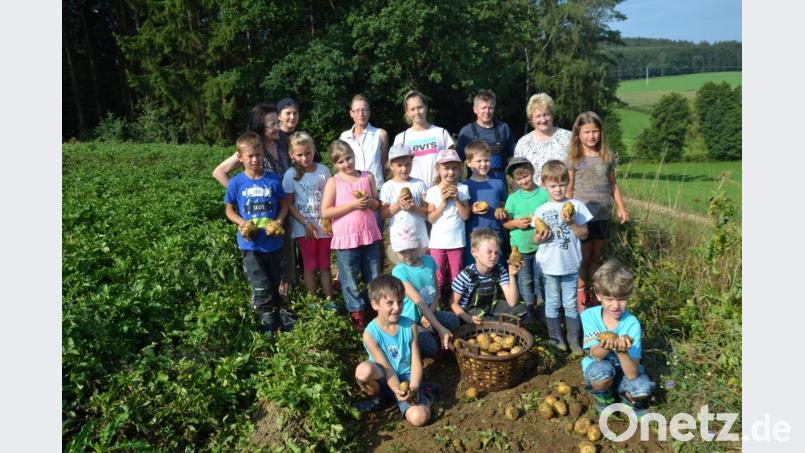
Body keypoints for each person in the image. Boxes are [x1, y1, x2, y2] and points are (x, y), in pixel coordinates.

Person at [213, 103, 295, 298]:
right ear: (260, 127)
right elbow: (219, 172)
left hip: (283, 209)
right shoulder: (252, 147)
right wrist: (248, 193)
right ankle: (268, 299)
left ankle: (287, 297)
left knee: (287, 255)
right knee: (266, 259)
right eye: (272, 124)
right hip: (260, 214)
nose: (277, 127)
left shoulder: (283, 142)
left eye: (278, 122)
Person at [224, 132, 290, 336]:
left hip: (274, 243)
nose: (255, 159)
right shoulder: (236, 183)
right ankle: (266, 324)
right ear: (240, 157)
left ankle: (282, 317)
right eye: (251, 155)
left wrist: (278, 221)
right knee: (260, 285)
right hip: (250, 245)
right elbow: (229, 209)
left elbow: (285, 203)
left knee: (277, 281)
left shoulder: (272, 180)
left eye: (259, 154)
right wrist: (242, 223)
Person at [354, 275, 438, 426]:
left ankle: (425, 394)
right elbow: (386, 369)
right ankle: (378, 400)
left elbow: (416, 362)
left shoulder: (410, 326)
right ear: (375, 304)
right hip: (384, 377)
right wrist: (396, 390)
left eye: (400, 302)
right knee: (363, 371)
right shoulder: (370, 334)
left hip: (406, 378)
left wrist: (412, 388)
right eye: (390, 303)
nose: (397, 308)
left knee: (420, 418)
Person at [566, 111, 630, 312]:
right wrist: (566, 212)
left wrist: (621, 207)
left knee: (596, 257)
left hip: (603, 215)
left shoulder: (606, 156)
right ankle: (580, 299)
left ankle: (595, 296)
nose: (591, 136)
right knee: (582, 258)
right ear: (578, 134)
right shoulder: (574, 158)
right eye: (586, 132)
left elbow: (613, 186)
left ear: (601, 133)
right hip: (581, 216)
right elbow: (569, 187)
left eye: (595, 131)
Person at [321, 139, 383, 330]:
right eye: (340, 162)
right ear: (334, 164)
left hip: (369, 235)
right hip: (346, 238)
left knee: (373, 275)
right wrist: (352, 206)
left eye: (348, 159)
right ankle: (357, 313)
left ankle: (376, 309)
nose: (346, 164)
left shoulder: (367, 177)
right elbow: (325, 212)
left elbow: (377, 204)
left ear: (354, 156)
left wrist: (370, 202)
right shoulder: (334, 182)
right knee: (349, 278)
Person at [581, 259, 656, 416]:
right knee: (599, 371)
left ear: (628, 297)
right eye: (609, 299)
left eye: (621, 299)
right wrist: (607, 344)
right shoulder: (589, 316)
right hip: (600, 371)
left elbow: (632, 374)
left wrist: (622, 351)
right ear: (599, 296)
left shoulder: (632, 323)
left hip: (625, 373)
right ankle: (604, 397)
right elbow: (596, 354)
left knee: (643, 387)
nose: (616, 306)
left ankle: (626, 398)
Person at [532, 160, 592, 353]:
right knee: (552, 303)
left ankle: (574, 341)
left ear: (567, 183)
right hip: (548, 265)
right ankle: (556, 339)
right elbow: (535, 240)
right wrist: (540, 237)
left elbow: (584, 234)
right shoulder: (541, 210)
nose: (558, 189)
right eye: (553, 185)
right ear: (544, 184)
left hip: (570, 265)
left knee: (570, 303)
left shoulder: (576, 206)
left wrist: (573, 222)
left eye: (561, 185)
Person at [390, 224, 459, 359]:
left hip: (429, 313)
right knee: (429, 346)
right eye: (402, 252)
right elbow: (418, 301)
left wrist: (431, 312)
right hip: (410, 320)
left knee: (454, 321)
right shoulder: (399, 271)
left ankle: (438, 336)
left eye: (411, 250)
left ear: (418, 247)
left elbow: (435, 292)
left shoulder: (429, 261)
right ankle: (432, 339)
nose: (408, 256)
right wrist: (439, 327)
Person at [341, 95, 390, 273]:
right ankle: (359, 274)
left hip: (374, 191)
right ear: (351, 114)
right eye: (357, 110)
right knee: (355, 235)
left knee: (376, 236)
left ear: (369, 112)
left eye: (365, 110)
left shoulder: (380, 134)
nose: (361, 113)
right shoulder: (344, 137)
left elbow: (383, 163)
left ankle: (378, 277)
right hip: (350, 193)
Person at [282, 132, 333, 300]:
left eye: (308, 153)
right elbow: (288, 204)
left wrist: (328, 219)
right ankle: (312, 302)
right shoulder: (290, 175)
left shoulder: (323, 171)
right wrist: (305, 223)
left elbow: (331, 196)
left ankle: (329, 299)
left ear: (314, 150)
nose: (305, 157)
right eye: (300, 154)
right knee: (310, 265)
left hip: (323, 224)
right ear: (292, 155)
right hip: (303, 227)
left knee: (325, 264)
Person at [502, 157, 550, 323]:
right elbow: (505, 223)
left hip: (543, 247)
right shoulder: (513, 198)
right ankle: (529, 309)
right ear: (514, 180)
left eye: (526, 176)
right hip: (520, 248)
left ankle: (543, 309)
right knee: (525, 280)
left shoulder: (544, 193)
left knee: (541, 279)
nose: (523, 181)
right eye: (519, 178)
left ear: (532, 171)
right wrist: (515, 223)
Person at [450, 228, 526, 324]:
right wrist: (467, 318)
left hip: (491, 308)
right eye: (489, 252)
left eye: (496, 252)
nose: (494, 256)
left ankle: (499, 327)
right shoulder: (465, 276)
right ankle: (498, 327)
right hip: (471, 314)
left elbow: (512, 302)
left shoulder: (500, 270)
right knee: (490, 322)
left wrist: (512, 275)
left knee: (520, 309)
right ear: (474, 252)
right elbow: (452, 303)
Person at [426, 149, 471, 297]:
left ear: (459, 169)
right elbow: (431, 218)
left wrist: (457, 199)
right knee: (437, 276)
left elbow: (465, 216)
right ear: (438, 169)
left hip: (456, 242)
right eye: (446, 168)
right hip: (437, 243)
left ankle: (455, 305)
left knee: (456, 276)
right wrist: (443, 202)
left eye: (454, 168)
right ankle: (436, 306)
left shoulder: (463, 188)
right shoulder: (432, 191)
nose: (450, 172)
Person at [393, 91, 454, 188]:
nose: (417, 112)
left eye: (420, 107)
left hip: (439, 191)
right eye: (412, 109)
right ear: (407, 112)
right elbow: (396, 171)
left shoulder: (441, 133)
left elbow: (454, 165)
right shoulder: (401, 138)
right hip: (413, 193)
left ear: (426, 107)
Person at [463, 140, 509, 266]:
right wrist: (471, 209)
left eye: (487, 160)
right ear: (468, 163)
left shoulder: (498, 184)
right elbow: (461, 212)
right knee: (474, 269)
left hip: (495, 234)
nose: (484, 164)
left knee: (498, 269)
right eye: (479, 161)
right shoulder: (464, 186)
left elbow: (504, 205)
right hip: (473, 236)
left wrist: (501, 210)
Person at [456, 89, 515, 183]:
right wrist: (458, 185)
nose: (487, 111)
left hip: (499, 184)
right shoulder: (466, 131)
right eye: (483, 108)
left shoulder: (503, 128)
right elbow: (458, 162)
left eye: (490, 108)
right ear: (475, 109)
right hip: (474, 186)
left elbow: (512, 158)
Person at [513, 93, 572, 185]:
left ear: (552, 115)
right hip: (533, 197)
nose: (543, 120)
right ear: (531, 120)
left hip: (563, 195)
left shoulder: (568, 137)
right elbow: (518, 173)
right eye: (538, 116)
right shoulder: (523, 143)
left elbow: (578, 169)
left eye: (546, 115)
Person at [380, 143, 429, 250]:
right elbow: (383, 214)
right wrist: (397, 205)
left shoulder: (419, 183)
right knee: (402, 265)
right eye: (399, 165)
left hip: (419, 236)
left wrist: (413, 208)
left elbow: (428, 210)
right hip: (399, 237)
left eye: (407, 164)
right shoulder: (387, 186)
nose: (404, 169)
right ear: (391, 166)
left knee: (420, 264)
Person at [276, 97, 322, 163]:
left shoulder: (304, 136)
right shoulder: (275, 137)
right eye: (288, 113)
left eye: (295, 113)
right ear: (279, 116)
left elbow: (316, 159)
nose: (292, 117)